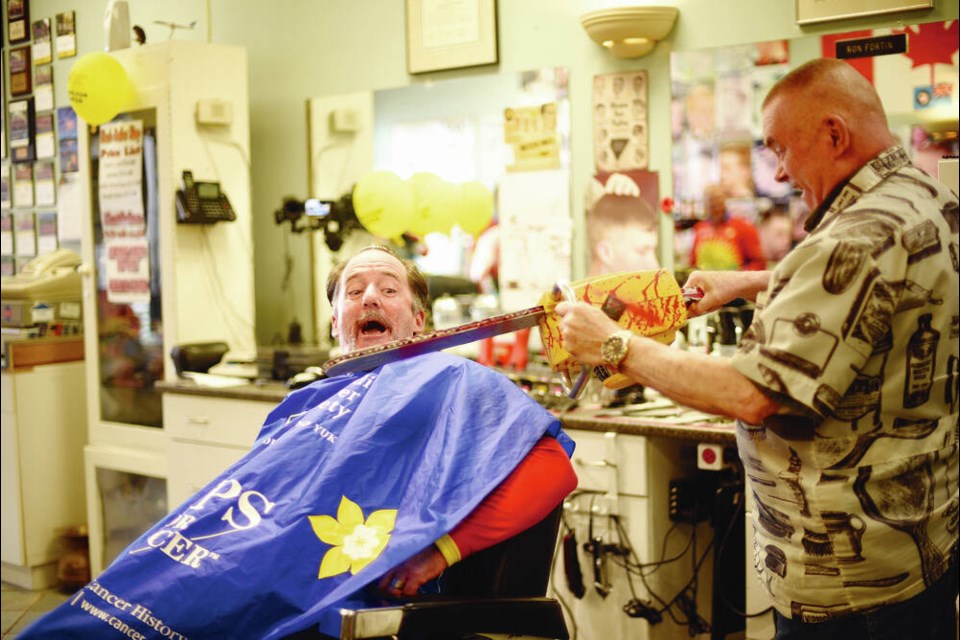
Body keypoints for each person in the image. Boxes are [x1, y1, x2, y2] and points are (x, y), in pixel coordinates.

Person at [556, 58, 958, 639]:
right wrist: (751, 282)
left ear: (836, 135)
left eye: (781, 150)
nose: (778, 174)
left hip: (849, 582)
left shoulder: (854, 237)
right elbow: (886, 287)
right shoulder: (924, 196)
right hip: (920, 544)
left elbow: (751, 394)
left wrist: (613, 344)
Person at [22, 244, 577, 639]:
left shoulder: (455, 380)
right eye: (354, 291)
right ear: (336, 322)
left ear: (420, 318)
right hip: (232, 552)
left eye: (389, 289)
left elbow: (554, 469)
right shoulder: (306, 399)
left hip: (307, 585)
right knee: (109, 601)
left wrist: (441, 552)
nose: (371, 299)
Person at [689, 182, 766, 271]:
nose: (715, 206)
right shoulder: (699, 229)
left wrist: (741, 278)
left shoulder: (744, 227)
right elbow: (693, 265)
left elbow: (759, 263)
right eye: (711, 202)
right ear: (705, 205)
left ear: (724, 201)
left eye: (718, 200)